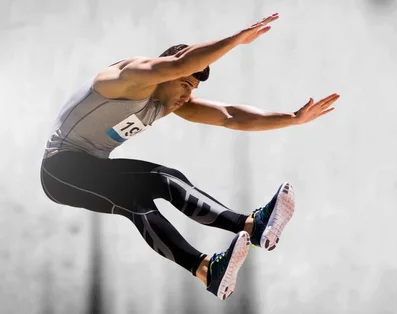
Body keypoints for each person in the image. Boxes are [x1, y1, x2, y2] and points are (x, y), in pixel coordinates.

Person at [38, 13, 339, 301]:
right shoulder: (127, 78)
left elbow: (229, 116)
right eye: (184, 84)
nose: (187, 95)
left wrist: (292, 118)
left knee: (165, 180)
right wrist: (235, 40)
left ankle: (241, 237)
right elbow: (180, 63)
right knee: (138, 196)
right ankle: (220, 256)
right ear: (167, 74)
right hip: (60, 170)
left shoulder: (169, 101)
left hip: (90, 166)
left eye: (192, 88)